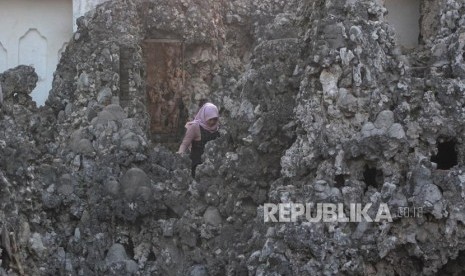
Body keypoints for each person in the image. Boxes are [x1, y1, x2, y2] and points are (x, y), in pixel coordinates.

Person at [177, 102, 220, 177]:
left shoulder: (218, 128)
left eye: (215, 119)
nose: (212, 122)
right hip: (197, 165)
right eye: (210, 119)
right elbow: (185, 143)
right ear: (204, 116)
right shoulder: (194, 127)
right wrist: (180, 155)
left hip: (214, 166)